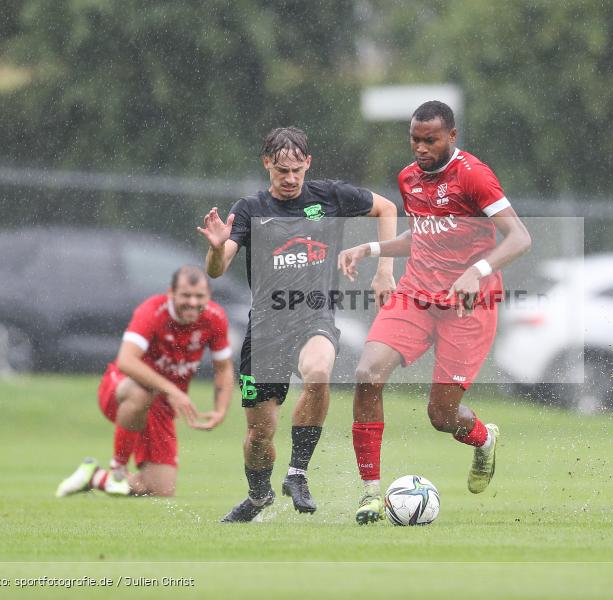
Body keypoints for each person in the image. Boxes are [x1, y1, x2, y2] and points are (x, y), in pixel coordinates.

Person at [338, 101, 532, 524]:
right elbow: (422, 233)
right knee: (367, 374)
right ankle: (370, 492)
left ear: (452, 137)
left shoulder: (474, 176)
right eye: (415, 139)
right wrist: (370, 248)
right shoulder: (408, 178)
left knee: (441, 417)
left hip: (468, 306)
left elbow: (520, 237)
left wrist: (476, 271)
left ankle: (483, 440)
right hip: (416, 295)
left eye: (431, 140)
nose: (421, 148)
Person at [199, 126, 397, 522]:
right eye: (281, 171)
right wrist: (216, 247)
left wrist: (384, 271)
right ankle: (258, 496)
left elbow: (387, 208)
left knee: (319, 372)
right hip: (266, 329)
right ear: (267, 164)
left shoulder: (330, 196)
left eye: (296, 170)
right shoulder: (251, 209)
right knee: (259, 434)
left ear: (308, 163)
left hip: (314, 315)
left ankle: (297, 474)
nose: (289, 179)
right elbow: (218, 271)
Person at [56, 265, 234, 498]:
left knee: (161, 488)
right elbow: (126, 361)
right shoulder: (152, 311)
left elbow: (223, 367)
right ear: (171, 293)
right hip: (122, 388)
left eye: (199, 296)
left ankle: (95, 476)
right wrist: (172, 390)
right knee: (141, 393)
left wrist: (220, 410)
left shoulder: (215, 317)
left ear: (208, 296)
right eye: (185, 295)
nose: (192, 302)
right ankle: (117, 470)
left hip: (161, 405)